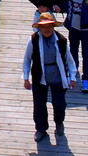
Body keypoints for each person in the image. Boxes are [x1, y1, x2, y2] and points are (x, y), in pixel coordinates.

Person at [23, 12, 76, 143]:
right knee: (39, 105)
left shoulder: (62, 40)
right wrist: (25, 77)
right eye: (43, 26)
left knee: (59, 104)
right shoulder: (33, 40)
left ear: (53, 26)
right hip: (39, 76)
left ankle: (59, 123)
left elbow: (69, 60)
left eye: (49, 26)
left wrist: (73, 77)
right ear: (39, 27)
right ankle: (41, 129)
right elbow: (27, 60)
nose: (46, 29)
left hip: (57, 76)